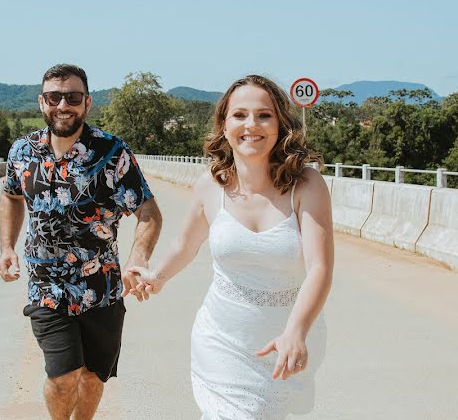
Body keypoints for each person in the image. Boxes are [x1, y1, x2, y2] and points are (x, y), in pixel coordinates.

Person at [127, 75, 333, 420]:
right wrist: (157, 276)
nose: (251, 125)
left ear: (281, 124)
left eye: (264, 115)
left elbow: (320, 268)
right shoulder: (210, 184)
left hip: (287, 337)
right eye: (240, 115)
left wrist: (296, 331)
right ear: (224, 125)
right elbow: (185, 243)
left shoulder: (307, 185)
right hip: (221, 338)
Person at [0, 63, 163, 420]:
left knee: (92, 376)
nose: (62, 105)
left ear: (86, 103)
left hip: (101, 286)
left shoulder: (112, 154)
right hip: (47, 288)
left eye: (72, 97)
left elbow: (148, 212)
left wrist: (139, 257)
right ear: (42, 102)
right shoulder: (22, 153)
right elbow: (11, 196)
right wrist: (7, 247)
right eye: (54, 97)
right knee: (63, 376)